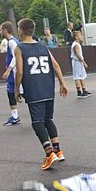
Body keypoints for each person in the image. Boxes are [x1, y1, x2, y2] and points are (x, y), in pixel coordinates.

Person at [13, 18, 69, 170]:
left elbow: (19, 71)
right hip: (48, 87)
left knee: (37, 122)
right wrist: (62, 83)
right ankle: (58, 150)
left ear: (20, 30)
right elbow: (55, 65)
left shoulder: (19, 48)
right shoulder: (43, 46)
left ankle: (49, 153)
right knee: (48, 119)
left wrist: (16, 89)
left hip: (34, 88)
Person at [0, 22, 21, 126]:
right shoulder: (13, 41)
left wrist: (8, 70)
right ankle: (14, 116)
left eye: (1, 30)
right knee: (12, 93)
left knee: (12, 93)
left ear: (5, 30)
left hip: (14, 73)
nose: (0, 32)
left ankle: (15, 116)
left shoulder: (12, 42)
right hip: (15, 72)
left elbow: (15, 57)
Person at [70, 29, 92, 98]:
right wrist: (84, 62)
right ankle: (79, 92)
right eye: (80, 35)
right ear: (76, 37)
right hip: (77, 62)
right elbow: (78, 54)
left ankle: (84, 90)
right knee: (77, 77)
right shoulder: (75, 45)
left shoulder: (78, 44)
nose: (81, 36)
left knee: (81, 76)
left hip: (79, 62)